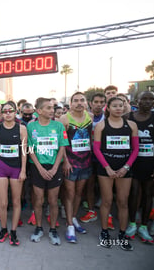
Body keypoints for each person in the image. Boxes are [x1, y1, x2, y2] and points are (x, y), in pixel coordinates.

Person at [93, 97, 139, 251]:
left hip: (124, 169)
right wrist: (107, 167)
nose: (118, 108)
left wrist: (126, 167)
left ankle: (122, 234)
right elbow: (97, 149)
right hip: (106, 170)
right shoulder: (101, 125)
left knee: (122, 202)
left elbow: (136, 149)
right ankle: (104, 232)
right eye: (115, 106)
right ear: (108, 108)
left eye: (121, 105)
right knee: (106, 201)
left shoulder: (132, 125)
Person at [28, 98, 69, 246]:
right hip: (37, 167)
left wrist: (54, 168)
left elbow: (62, 147)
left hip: (54, 167)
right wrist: (39, 168)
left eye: (53, 107)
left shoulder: (58, 126)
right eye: (48, 108)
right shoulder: (30, 126)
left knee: (53, 200)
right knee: (38, 200)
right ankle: (38, 228)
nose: (52, 110)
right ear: (39, 111)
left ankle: (52, 229)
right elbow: (29, 149)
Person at [0, 102, 27, 246]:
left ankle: (13, 231)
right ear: (2, 113)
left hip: (16, 168)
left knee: (16, 201)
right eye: (5, 111)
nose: (7, 113)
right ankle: (4, 228)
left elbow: (24, 151)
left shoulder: (22, 128)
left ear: (15, 112)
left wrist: (24, 170)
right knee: (3, 202)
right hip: (1, 167)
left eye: (10, 111)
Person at [125, 91, 154, 243]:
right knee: (134, 193)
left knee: (148, 195)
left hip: (151, 163)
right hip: (133, 162)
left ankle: (144, 226)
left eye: (151, 99)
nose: (147, 102)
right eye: (144, 99)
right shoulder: (128, 117)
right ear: (137, 101)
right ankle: (132, 224)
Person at [59, 92, 93, 243]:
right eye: (76, 100)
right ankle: (70, 225)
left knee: (79, 193)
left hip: (86, 161)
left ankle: (73, 218)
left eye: (82, 100)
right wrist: (65, 161)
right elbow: (62, 141)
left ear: (86, 103)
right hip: (70, 162)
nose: (79, 103)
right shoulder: (64, 118)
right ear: (71, 103)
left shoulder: (90, 117)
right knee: (70, 193)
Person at [80, 93, 106, 224]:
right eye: (96, 102)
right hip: (88, 156)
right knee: (89, 185)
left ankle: (109, 215)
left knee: (106, 187)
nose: (99, 104)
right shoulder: (85, 117)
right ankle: (91, 211)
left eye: (102, 102)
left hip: (104, 157)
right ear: (91, 103)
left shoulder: (107, 118)